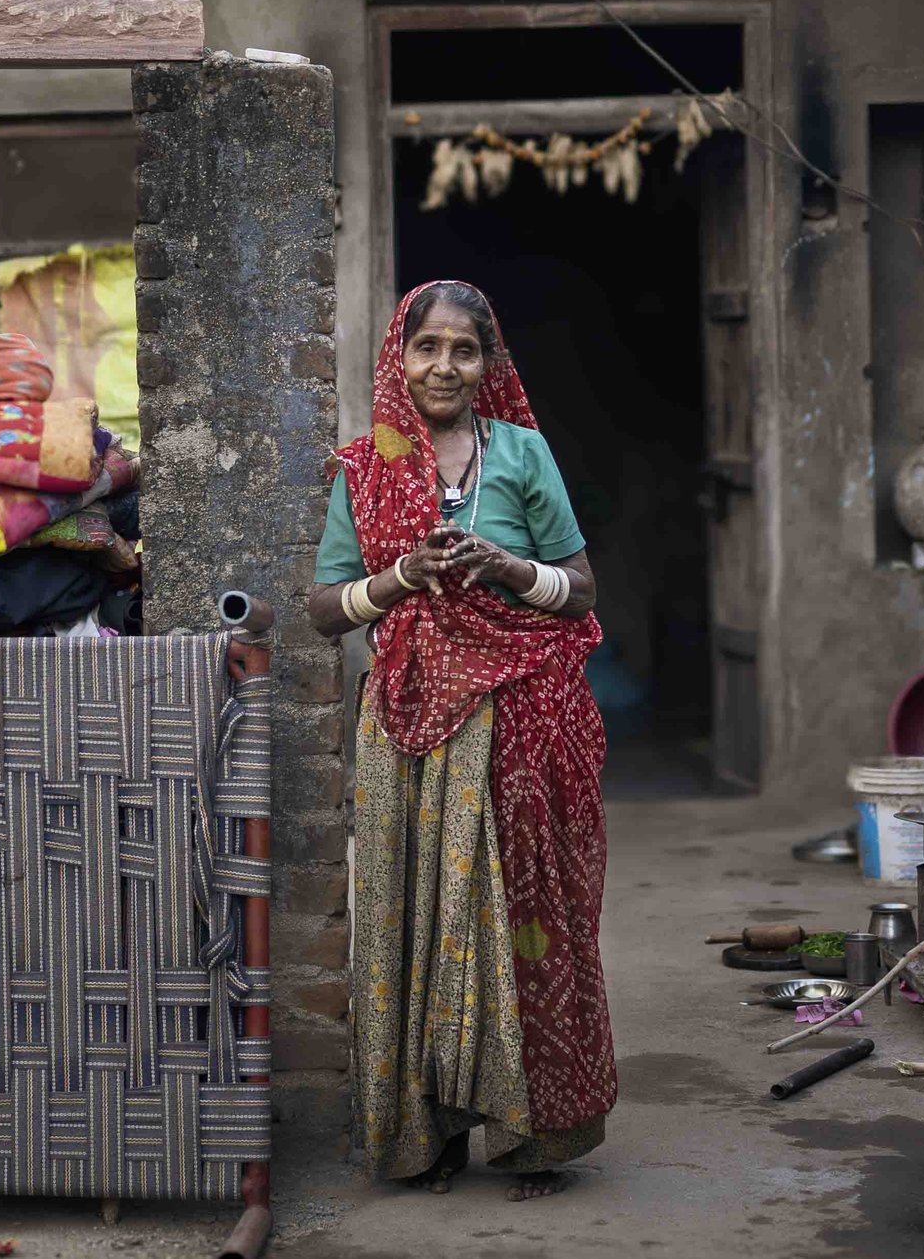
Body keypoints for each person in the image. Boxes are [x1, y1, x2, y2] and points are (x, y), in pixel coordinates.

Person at [308, 280, 615, 1201]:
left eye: (465, 350)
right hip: (405, 723)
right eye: (428, 347)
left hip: (521, 717)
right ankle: (423, 1131)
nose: (445, 365)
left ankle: (536, 1134)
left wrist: (510, 567)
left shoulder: (521, 452)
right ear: (399, 358)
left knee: (528, 920)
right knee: (410, 920)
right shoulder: (364, 467)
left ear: (490, 366)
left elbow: (582, 585)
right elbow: (327, 608)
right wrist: (402, 574)